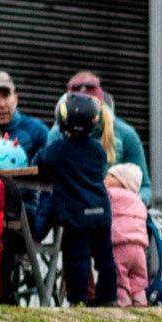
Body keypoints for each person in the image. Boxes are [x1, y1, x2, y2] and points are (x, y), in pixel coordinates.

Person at [43, 92, 116, 307]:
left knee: (78, 258)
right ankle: (108, 298)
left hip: (76, 215)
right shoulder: (97, 149)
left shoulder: (58, 150)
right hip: (101, 212)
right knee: (105, 259)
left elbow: (42, 160)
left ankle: (78, 299)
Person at [62, 71, 149, 178]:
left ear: (100, 105)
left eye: (88, 109)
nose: (82, 115)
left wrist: (119, 194)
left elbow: (143, 185)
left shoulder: (125, 134)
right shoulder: (57, 137)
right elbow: (40, 184)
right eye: (76, 109)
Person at [107, 162, 152, 307]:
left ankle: (123, 302)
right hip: (139, 248)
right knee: (138, 279)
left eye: (111, 176)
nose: (105, 178)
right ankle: (140, 301)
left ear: (122, 182)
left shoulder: (111, 194)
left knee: (120, 278)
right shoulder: (139, 201)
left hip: (119, 245)